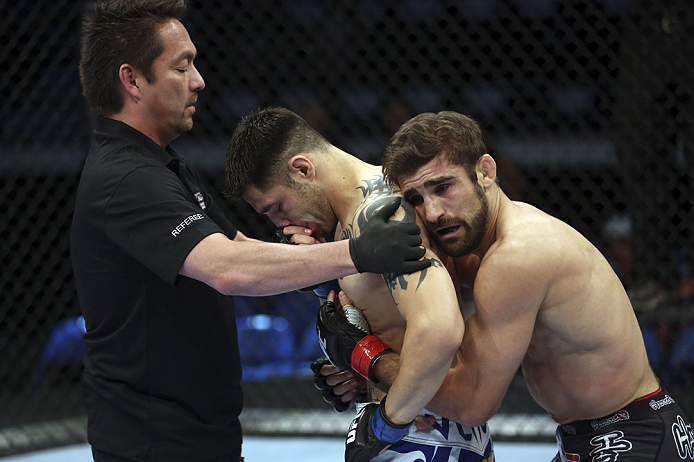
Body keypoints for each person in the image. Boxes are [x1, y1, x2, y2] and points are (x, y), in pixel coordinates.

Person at [71, 2, 430, 461]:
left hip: (194, 431)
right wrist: (357, 253)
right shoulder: (126, 178)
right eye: (182, 66)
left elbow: (236, 247)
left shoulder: (160, 164)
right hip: (154, 441)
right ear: (132, 80)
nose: (199, 80)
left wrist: (328, 282)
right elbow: (227, 268)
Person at [322, 111, 694, 461]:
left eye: (443, 186)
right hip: (594, 437)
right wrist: (358, 369)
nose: (433, 212)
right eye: (416, 199)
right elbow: (434, 352)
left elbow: (471, 404)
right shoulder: (474, 255)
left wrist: (365, 354)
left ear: (485, 172)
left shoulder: (516, 256)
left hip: (634, 438)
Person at [224, 107, 494, 462]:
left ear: (303, 170)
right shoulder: (349, 223)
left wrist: (385, 423)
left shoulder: (379, 216)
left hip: (425, 436)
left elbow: (440, 331)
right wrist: (357, 368)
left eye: (276, 207)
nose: (280, 223)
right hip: (425, 431)